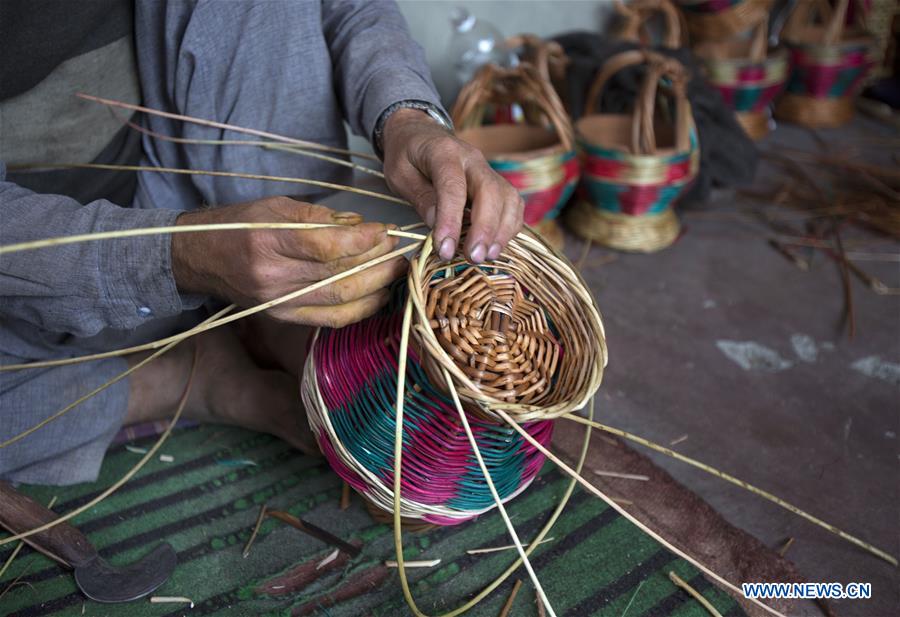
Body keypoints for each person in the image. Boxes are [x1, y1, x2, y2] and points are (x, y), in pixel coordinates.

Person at [0, 0, 524, 485]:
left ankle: (282, 311)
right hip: (34, 277)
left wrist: (407, 117)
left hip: (177, 160)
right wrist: (180, 257)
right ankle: (199, 379)